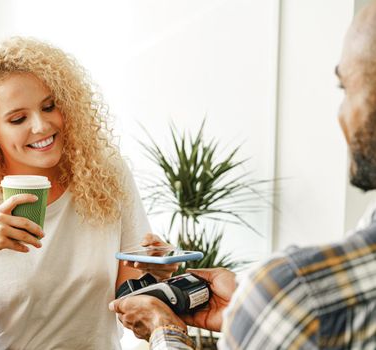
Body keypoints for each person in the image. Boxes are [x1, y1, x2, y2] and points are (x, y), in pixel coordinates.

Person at [110, 1, 376, 349]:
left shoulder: (300, 294)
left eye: (346, 88)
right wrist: (251, 309)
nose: (340, 112)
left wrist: (166, 329)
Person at [0, 35, 178, 350]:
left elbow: (126, 303)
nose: (41, 126)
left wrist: (154, 273)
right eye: (18, 118)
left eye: (49, 106)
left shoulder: (105, 176)